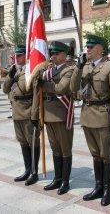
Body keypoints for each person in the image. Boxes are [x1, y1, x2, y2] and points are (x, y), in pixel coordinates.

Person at [70, 34, 110, 206]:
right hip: (87, 114)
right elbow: (72, 88)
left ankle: (107, 189)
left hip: (102, 115)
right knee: (95, 154)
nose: (88, 50)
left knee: (106, 155)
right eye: (87, 47)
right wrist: (78, 67)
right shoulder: (84, 67)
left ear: (100, 48)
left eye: (91, 47)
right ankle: (98, 186)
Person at [39, 41, 74, 195]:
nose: (53, 56)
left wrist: (44, 84)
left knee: (65, 149)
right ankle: (57, 178)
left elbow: (61, 88)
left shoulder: (69, 70)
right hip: (48, 114)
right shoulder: (48, 71)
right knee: (55, 149)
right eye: (52, 53)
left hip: (61, 114)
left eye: (56, 53)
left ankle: (65, 181)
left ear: (64, 55)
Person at [3, 45, 40, 186]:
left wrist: (35, 114)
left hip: (28, 110)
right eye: (15, 56)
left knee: (33, 142)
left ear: (26, 56)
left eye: (19, 55)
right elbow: (5, 89)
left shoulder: (32, 71)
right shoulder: (14, 70)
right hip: (16, 111)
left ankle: (34, 172)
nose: (16, 58)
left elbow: (36, 93)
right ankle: (27, 170)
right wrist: (11, 76)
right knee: (23, 142)